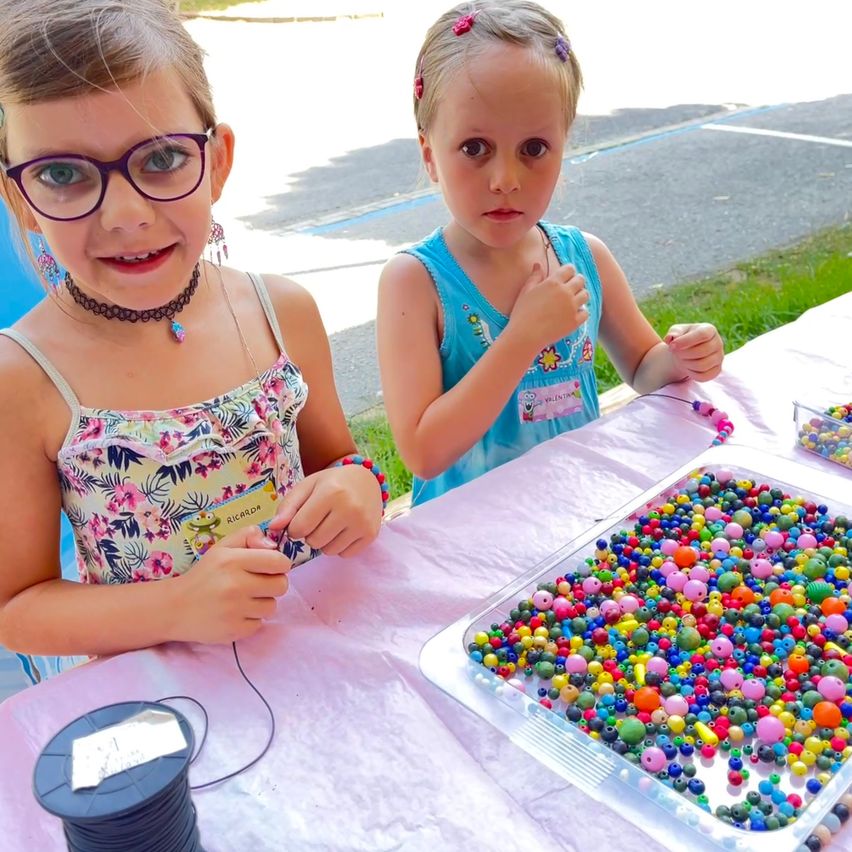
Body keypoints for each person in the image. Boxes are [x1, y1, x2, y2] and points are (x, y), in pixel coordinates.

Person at [0, 0, 386, 659]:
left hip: (317, 656)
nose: (125, 215)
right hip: (163, 702)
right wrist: (179, 606)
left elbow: (341, 464)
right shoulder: (23, 377)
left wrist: (358, 489)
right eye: (62, 174)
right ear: (20, 199)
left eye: (161, 158)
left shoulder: (283, 312)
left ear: (217, 161)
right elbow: (17, 609)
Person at [377, 0, 725, 506]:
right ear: (430, 155)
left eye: (534, 148)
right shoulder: (415, 282)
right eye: (474, 148)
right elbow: (423, 452)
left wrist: (680, 357)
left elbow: (643, 367)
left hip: (576, 517)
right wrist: (524, 336)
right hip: (468, 537)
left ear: (563, 146)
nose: (505, 180)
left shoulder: (584, 257)